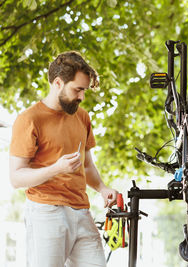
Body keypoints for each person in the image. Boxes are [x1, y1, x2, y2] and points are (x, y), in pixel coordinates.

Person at [9, 51, 118, 267]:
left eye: (84, 90)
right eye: (77, 90)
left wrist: (103, 189)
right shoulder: (29, 119)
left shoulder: (82, 116)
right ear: (58, 83)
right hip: (46, 212)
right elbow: (16, 177)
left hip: (82, 211)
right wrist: (56, 168)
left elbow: (86, 165)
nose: (81, 97)